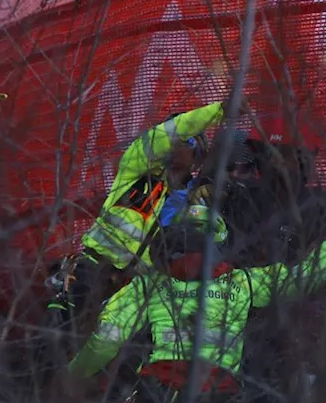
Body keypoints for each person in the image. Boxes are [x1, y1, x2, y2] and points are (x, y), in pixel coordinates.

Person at [66, 204, 326, 403]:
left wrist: (70, 377)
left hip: (157, 397)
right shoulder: (243, 282)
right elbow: (305, 278)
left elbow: (105, 341)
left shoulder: (148, 285)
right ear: (220, 243)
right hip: (218, 402)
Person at [47, 97, 242, 345]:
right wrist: (219, 111)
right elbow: (166, 134)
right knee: (58, 338)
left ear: (197, 156)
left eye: (185, 141)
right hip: (94, 269)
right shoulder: (137, 167)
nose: (173, 143)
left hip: (139, 292)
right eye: (172, 136)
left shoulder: (194, 199)